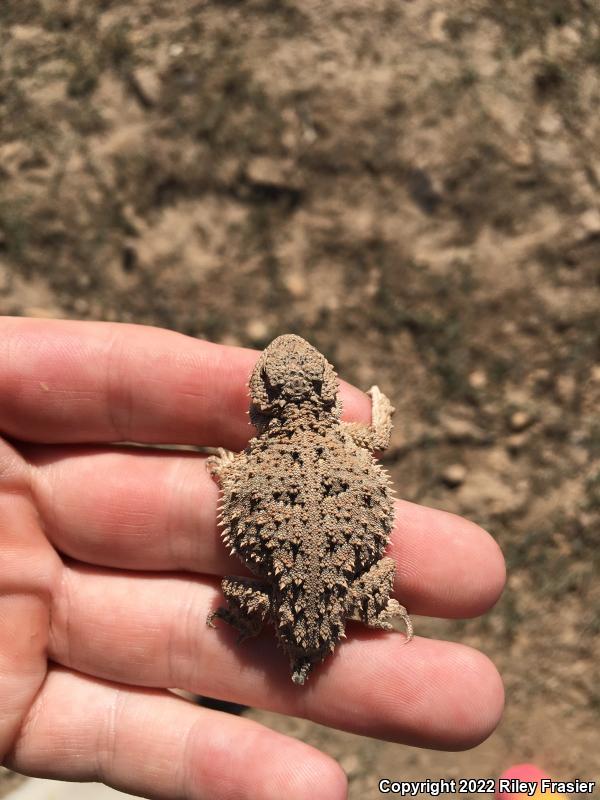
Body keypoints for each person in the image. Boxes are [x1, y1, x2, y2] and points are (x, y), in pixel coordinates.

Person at [0, 317, 505, 800]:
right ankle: (373, 608)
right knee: (383, 573)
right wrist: (382, 407)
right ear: (329, 390)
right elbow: (379, 437)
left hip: (277, 589)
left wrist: (224, 464)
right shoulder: (353, 441)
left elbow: (228, 478)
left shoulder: (252, 460)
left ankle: (248, 630)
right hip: (341, 583)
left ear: (261, 403)